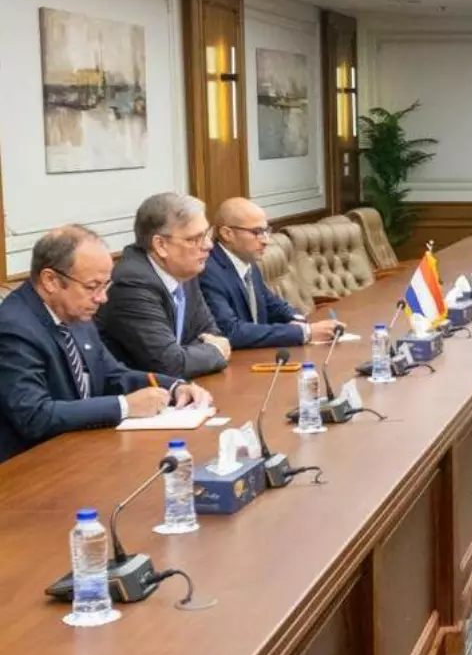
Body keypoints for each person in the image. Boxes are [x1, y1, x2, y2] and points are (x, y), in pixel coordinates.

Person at [0, 226, 214, 463]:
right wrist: (124, 406)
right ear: (51, 280)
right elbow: (34, 416)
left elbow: (112, 375)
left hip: (79, 451)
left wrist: (173, 387)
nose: (102, 298)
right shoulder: (14, 328)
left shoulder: (73, 311)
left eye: (105, 286)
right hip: (28, 466)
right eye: (92, 287)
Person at [96, 193, 231, 378]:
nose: (208, 245)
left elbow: (210, 332)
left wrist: (191, 354)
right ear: (160, 245)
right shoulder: (132, 283)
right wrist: (215, 351)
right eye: (195, 238)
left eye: (207, 234)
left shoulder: (184, 270)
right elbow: (169, 364)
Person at [201, 198, 341, 349]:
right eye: (257, 232)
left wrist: (299, 320)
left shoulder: (246, 260)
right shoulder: (208, 271)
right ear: (227, 234)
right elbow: (231, 331)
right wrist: (304, 333)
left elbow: (271, 304)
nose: (266, 241)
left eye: (266, 231)